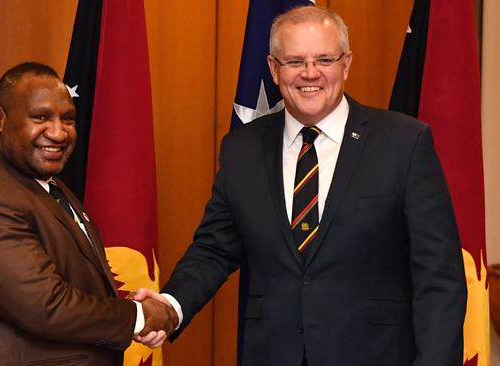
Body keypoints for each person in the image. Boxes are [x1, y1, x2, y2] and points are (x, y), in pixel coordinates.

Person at [133, 6, 467, 366]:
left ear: (346, 64)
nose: (310, 73)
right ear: (275, 69)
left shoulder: (404, 143)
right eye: (295, 61)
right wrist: (170, 306)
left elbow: (440, 278)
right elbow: (214, 249)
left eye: (324, 59)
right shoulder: (241, 148)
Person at [0, 62, 176, 365]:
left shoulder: (43, 181)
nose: (59, 133)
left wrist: (131, 316)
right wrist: (139, 317)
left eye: (68, 119)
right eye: (40, 117)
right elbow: (46, 306)